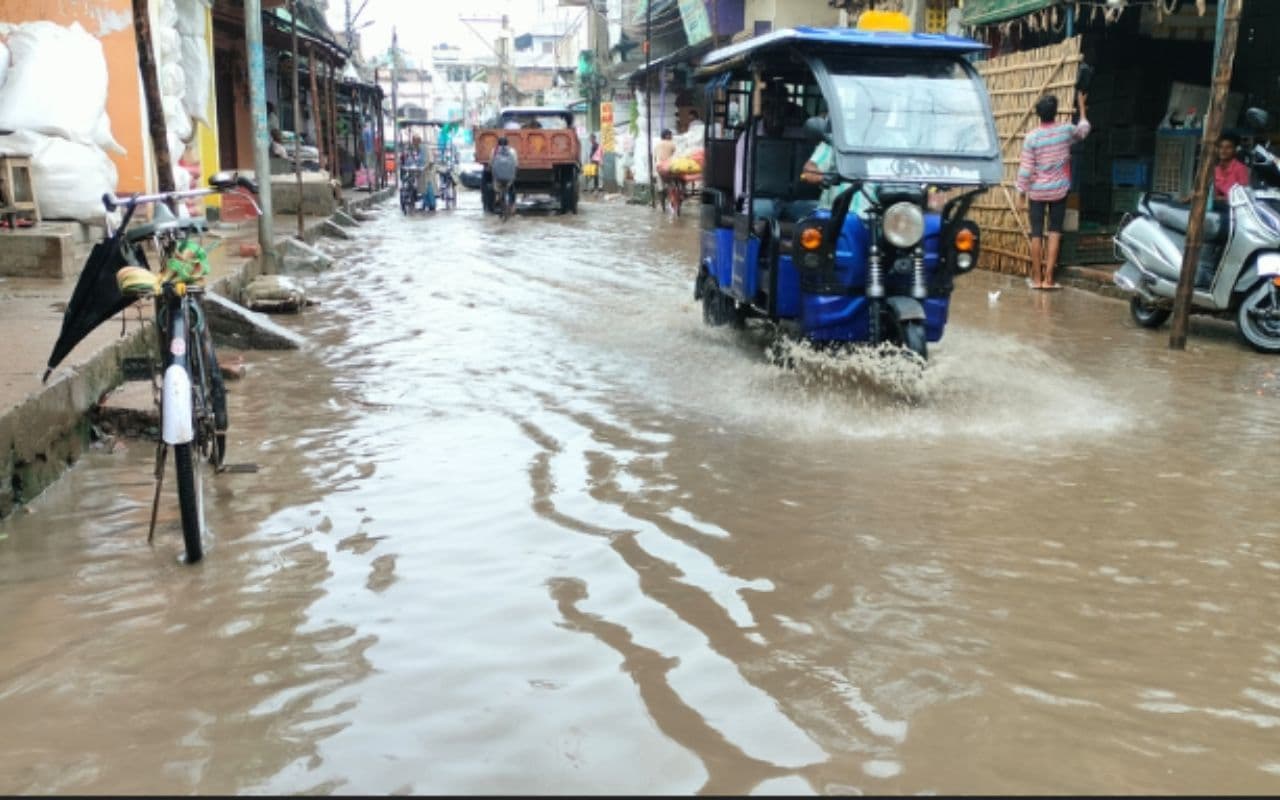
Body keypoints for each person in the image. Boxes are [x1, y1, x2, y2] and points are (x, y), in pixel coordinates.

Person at [1016, 92, 1090, 290]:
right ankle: (1049, 279)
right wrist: (1082, 107)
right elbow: (1084, 130)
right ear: (1055, 112)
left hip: (1037, 192)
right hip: (1059, 191)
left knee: (1036, 233)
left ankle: (1037, 279)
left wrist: (1021, 195)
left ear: (1038, 115)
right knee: (1055, 231)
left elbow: (1025, 169)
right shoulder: (1065, 131)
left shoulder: (1031, 138)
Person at [1213, 131, 1249, 204]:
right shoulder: (1215, 169)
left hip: (1234, 209)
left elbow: (1243, 196)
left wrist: (1221, 198)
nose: (1223, 150)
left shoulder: (1240, 169)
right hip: (1216, 208)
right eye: (1220, 147)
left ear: (1235, 150)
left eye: (1228, 147)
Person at [491, 136, 519, 216]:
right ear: (508, 143)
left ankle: (497, 197)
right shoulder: (512, 151)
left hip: (498, 177)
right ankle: (512, 207)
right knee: (512, 189)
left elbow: (491, 162)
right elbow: (516, 163)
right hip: (509, 177)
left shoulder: (494, 150)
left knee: (497, 187)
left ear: (498, 143)